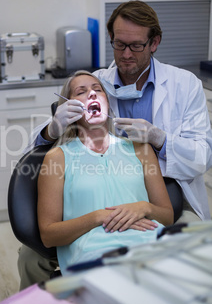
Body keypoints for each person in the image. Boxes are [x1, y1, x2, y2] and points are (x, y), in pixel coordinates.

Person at [18, 0, 212, 289]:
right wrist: (51, 128)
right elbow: (30, 155)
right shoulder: (97, 82)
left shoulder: (186, 85)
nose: (125, 55)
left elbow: (202, 157)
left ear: (154, 42)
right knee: (31, 259)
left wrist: (160, 141)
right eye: (119, 45)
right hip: (99, 194)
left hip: (172, 189)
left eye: (135, 46)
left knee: (198, 248)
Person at [37, 71, 173, 274]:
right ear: (68, 108)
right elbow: (48, 235)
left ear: (107, 103)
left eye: (97, 90)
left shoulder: (141, 149)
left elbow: (167, 216)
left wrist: (144, 207)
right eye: (81, 92)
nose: (91, 94)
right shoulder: (57, 158)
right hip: (95, 256)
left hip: (152, 248)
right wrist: (98, 217)